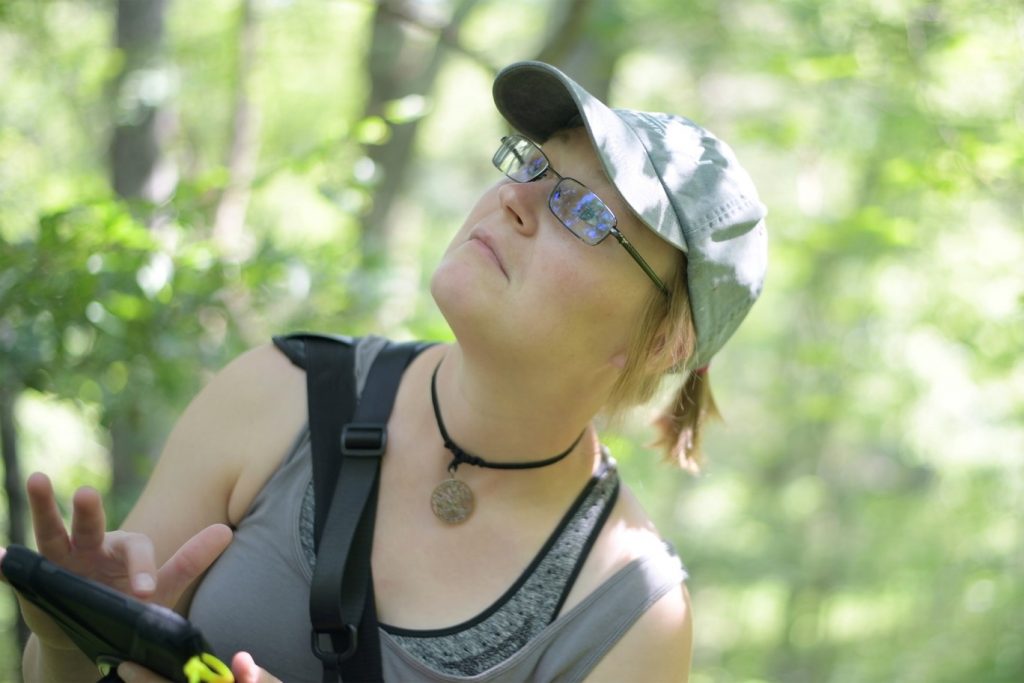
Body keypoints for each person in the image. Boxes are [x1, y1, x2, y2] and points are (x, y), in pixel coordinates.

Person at [2, 60, 767, 682]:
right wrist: (69, 642)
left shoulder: (625, 614)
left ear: (666, 342)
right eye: (534, 165)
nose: (515, 199)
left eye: (586, 211)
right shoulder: (277, 394)